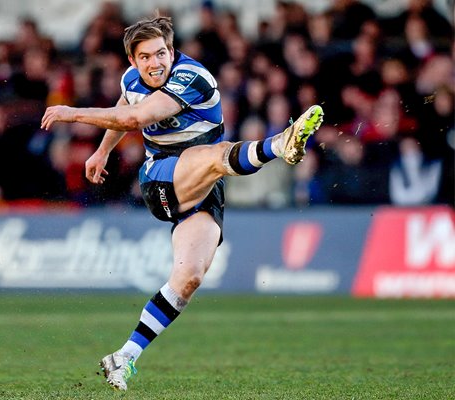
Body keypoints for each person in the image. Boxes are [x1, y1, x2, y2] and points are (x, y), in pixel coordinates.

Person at [41, 15, 324, 391]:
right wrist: (101, 151)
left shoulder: (192, 77)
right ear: (133, 61)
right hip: (160, 176)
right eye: (146, 57)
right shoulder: (131, 81)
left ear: (172, 51)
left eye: (162, 53)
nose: (156, 63)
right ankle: (279, 144)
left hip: (201, 187)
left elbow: (137, 117)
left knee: (188, 278)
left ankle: (124, 355)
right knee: (216, 156)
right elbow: (127, 108)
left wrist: (72, 113)